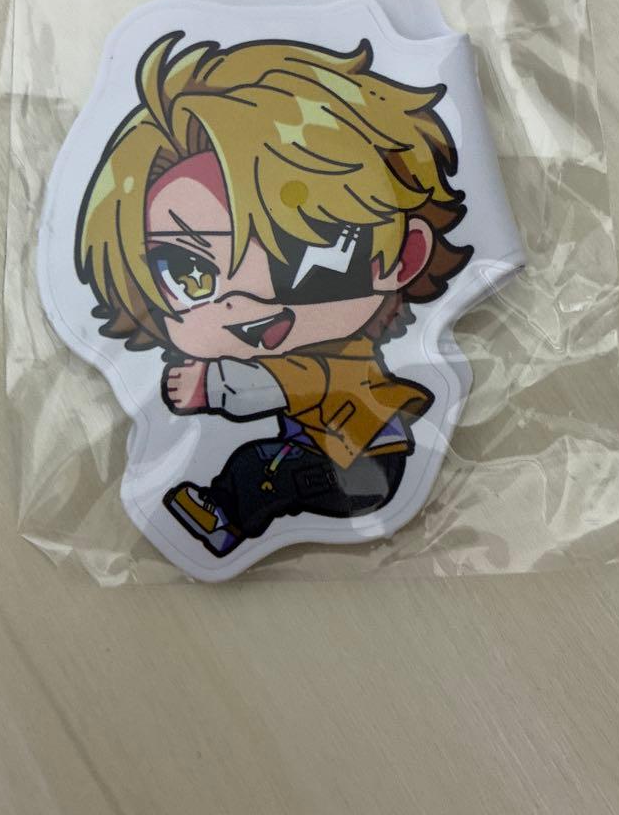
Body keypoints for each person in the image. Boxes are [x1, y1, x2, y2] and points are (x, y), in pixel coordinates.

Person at [75, 31, 470, 556]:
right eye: (188, 272)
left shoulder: (332, 359)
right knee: (262, 462)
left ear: (403, 257)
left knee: (259, 468)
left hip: (364, 462)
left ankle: (224, 521)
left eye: (302, 254)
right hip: (327, 448)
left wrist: (208, 387)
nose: (243, 301)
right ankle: (222, 513)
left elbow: (264, 390)